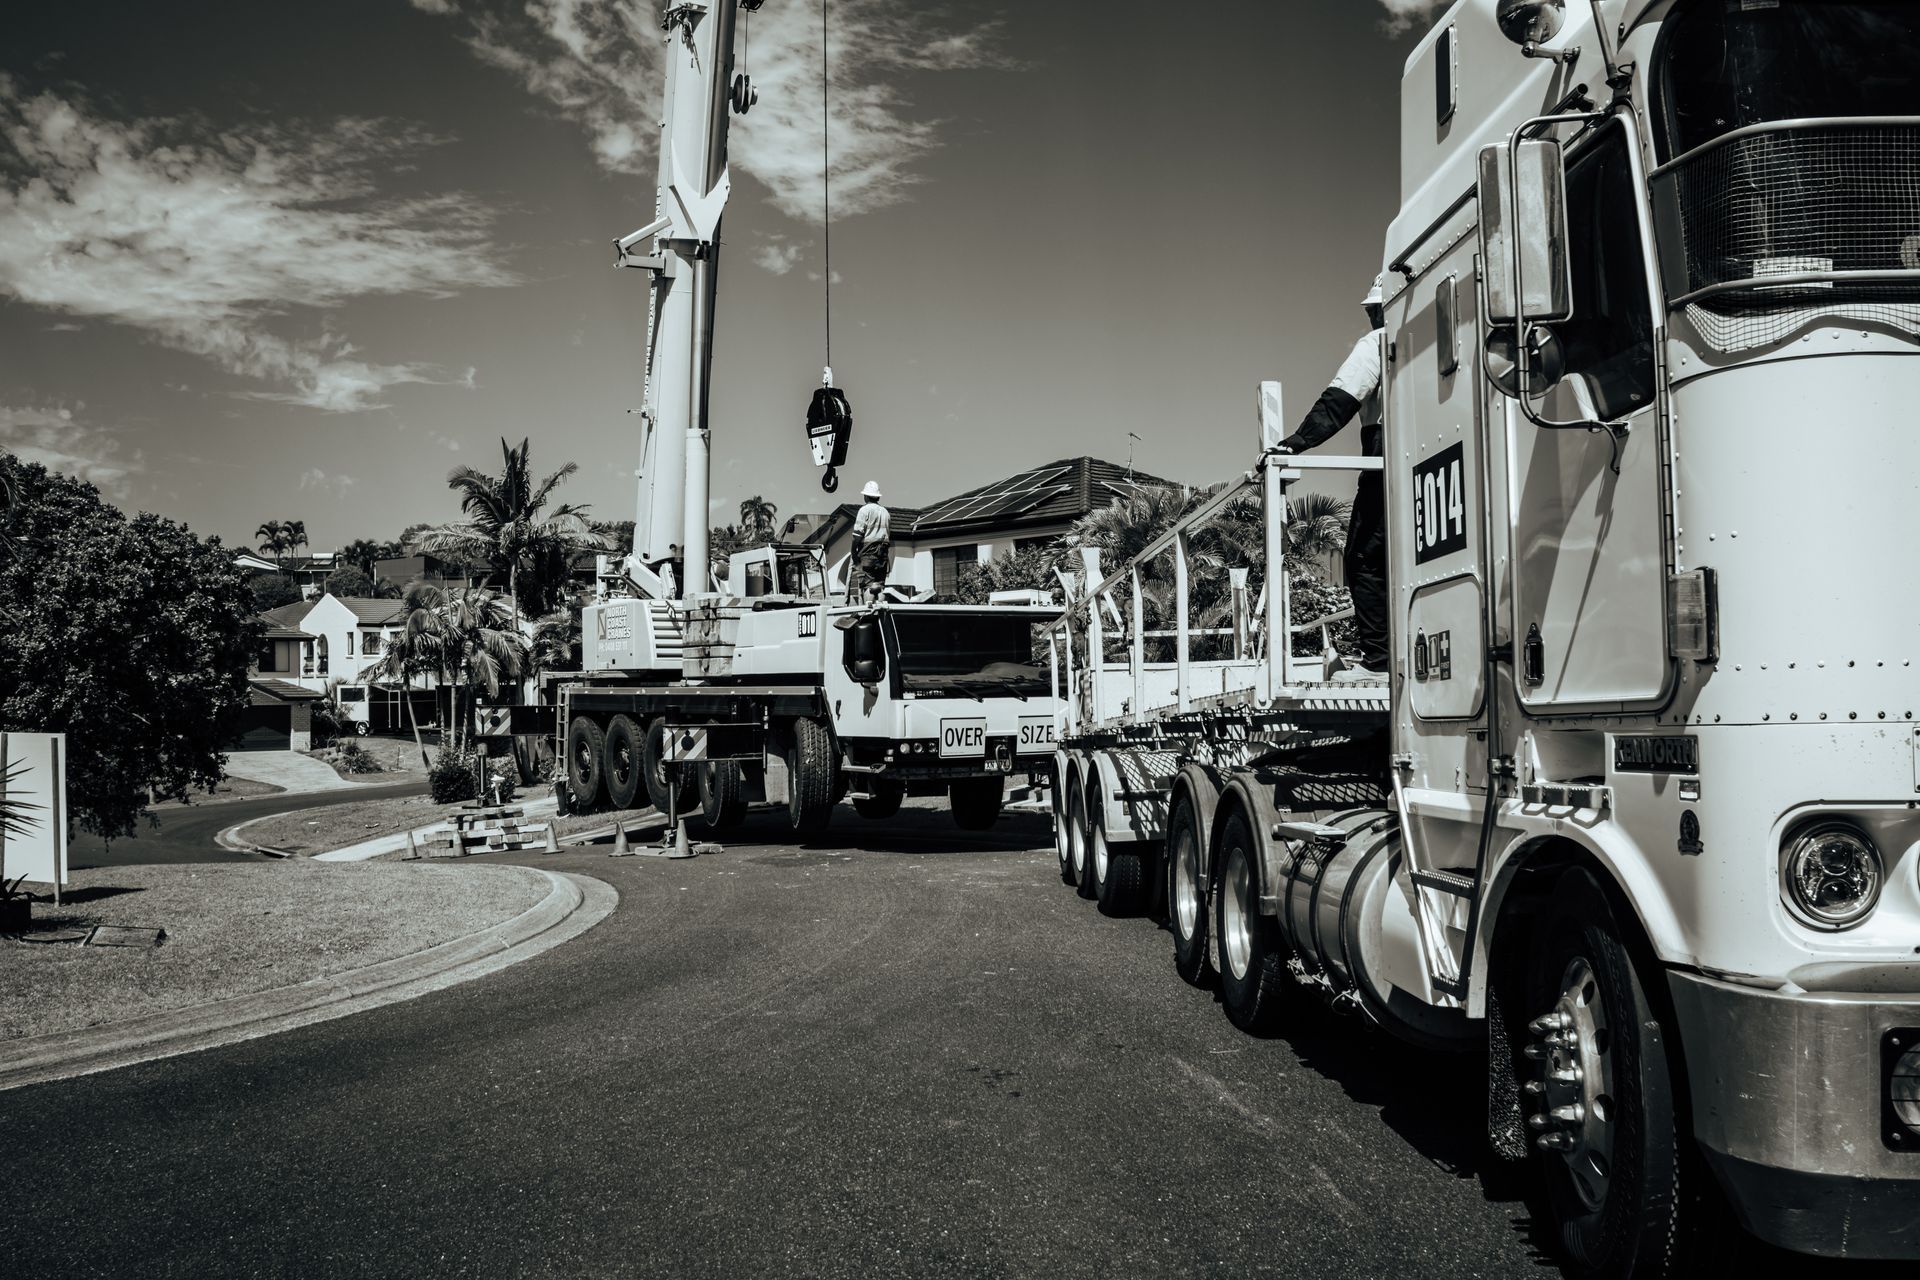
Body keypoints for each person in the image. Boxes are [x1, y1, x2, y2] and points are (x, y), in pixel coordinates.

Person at [1276, 275, 1388, 683]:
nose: (1372, 317)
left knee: (1363, 556)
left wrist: (1296, 443)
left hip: (1385, 456)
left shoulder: (1378, 343)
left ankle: (1380, 662)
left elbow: (1341, 398)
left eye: (1373, 309)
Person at [848, 481, 891, 604]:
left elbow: (857, 535)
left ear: (866, 496)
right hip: (883, 552)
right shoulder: (885, 512)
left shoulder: (864, 511)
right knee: (880, 586)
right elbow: (888, 535)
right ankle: (881, 613)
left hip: (868, 550)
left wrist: (853, 551)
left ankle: (868, 614)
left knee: (868, 585)